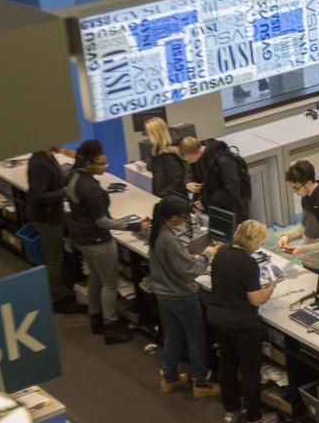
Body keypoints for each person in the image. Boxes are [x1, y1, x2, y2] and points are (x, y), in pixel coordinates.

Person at [66, 139, 150, 345]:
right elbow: (102, 221)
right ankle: (110, 324)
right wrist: (135, 226)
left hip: (82, 238)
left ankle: (95, 316)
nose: (105, 167)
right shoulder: (91, 188)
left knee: (95, 277)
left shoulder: (73, 178)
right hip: (98, 241)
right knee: (110, 284)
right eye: (101, 163)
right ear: (88, 164)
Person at [208, 220, 279, 423]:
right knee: (250, 371)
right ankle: (254, 419)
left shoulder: (221, 252)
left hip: (218, 317)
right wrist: (271, 288)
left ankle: (231, 409)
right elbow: (256, 300)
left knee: (227, 363)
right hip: (242, 324)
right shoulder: (248, 264)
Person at [148, 195, 220, 398]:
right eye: (182, 217)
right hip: (181, 295)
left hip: (163, 294)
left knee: (172, 336)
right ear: (172, 217)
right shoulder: (169, 240)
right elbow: (189, 270)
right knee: (195, 337)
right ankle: (200, 382)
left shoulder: (157, 233)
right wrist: (207, 255)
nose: (183, 221)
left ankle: (169, 376)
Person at [27, 147, 80, 313]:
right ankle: (55, 298)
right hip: (46, 218)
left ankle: (57, 290)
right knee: (53, 259)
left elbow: (55, 179)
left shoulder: (48, 156)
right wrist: (64, 192)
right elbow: (39, 196)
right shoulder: (39, 162)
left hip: (53, 214)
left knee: (56, 256)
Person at [277, 160, 319, 275]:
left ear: (308, 183)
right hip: (308, 261)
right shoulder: (307, 196)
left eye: (296, 188)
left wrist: (302, 249)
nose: (294, 192)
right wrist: (287, 237)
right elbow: (304, 226)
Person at [178, 136, 249, 223]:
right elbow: (190, 173)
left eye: (189, 159)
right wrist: (188, 182)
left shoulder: (223, 160)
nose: (188, 162)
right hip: (212, 209)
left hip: (230, 211)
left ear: (197, 152)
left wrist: (206, 202)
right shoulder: (196, 158)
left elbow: (232, 190)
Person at [144, 117, 186, 197]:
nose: (148, 136)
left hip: (171, 199)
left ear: (155, 134)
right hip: (166, 195)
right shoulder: (157, 149)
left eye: (149, 133)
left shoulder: (168, 154)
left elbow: (177, 180)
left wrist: (162, 195)